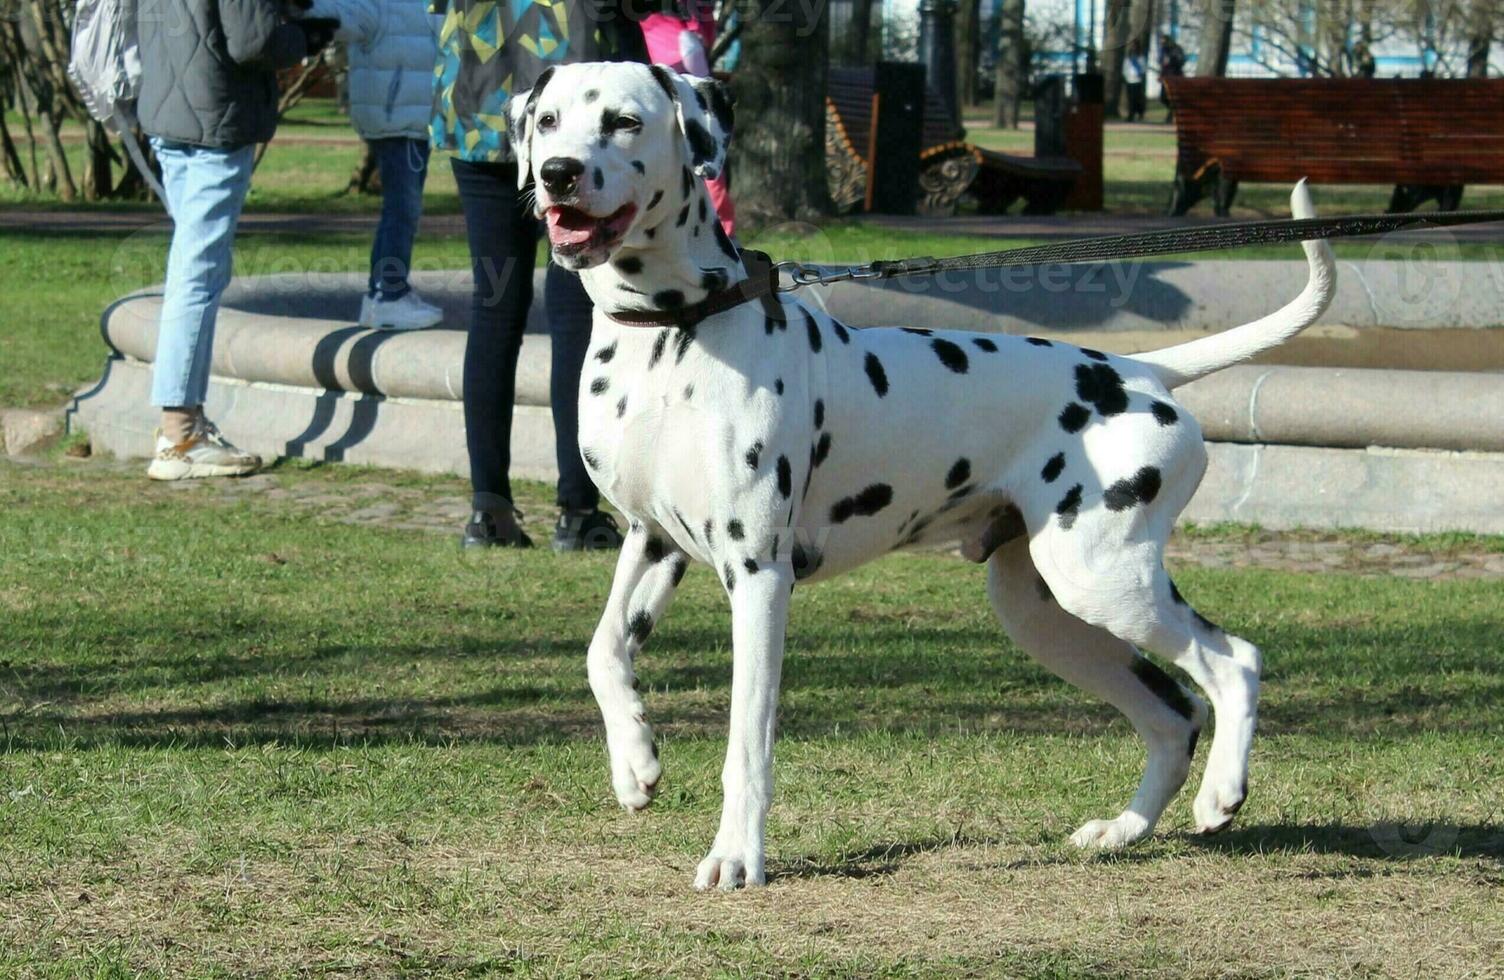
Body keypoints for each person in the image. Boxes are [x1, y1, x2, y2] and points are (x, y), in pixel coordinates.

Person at [430, 0, 646, 550]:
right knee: (576, 306)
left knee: (494, 305)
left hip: (477, 100)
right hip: (577, 112)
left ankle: (489, 511)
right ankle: (578, 511)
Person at [136, 0, 338, 480]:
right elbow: (253, 41)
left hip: (167, 109)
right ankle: (180, 433)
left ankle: (183, 428)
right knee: (197, 273)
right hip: (216, 115)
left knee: (193, 264)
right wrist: (306, 37)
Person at [309, 0, 444, 330]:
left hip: (403, 117)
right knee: (403, 210)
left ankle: (380, 294)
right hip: (400, 119)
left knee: (397, 210)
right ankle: (389, 294)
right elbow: (338, 15)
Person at [638, 0, 735, 232]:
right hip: (679, 46)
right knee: (701, 143)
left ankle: (717, 228)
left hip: (662, 46)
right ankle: (721, 228)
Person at [1158, 33, 1186, 123]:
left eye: (1163, 42)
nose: (1162, 44)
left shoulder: (1176, 49)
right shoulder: (1163, 50)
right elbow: (1162, 64)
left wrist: (1171, 60)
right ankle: (1173, 111)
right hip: (1165, 76)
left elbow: (1181, 61)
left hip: (1175, 76)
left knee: (1172, 96)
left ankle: (1170, 115)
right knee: (1163, 98)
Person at [1123, 40, 1148, 122]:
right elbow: (1125, 68)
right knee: (1130, 99)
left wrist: (1140, 75)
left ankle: (1138, 112)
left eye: (1134, 46)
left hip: (1137, 80)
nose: (1133, 48)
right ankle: (1131, 114)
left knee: (1136, 98)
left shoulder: (1141, 57)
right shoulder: (1128, 58)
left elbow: (1143, 68)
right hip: (1129, 80)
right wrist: (1126, 76)